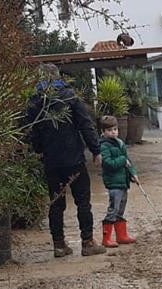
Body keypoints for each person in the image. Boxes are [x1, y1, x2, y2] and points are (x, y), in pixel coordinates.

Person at [26, 64, 107, 258]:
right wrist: (96, 150)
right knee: (83, 201)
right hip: (74, 158)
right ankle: (87, 242)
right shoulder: (70, 97)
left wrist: (39, 150)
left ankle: (59, 245)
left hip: (51, 160)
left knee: (56, 202)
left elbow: (32, 130)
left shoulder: (35, 101)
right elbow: (85, 124)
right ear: (58, 77)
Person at [97, 115, 138, 248]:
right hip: (114, 183)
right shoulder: (104, 146)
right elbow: (109, 164)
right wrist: (122, 160)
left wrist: (133, 174)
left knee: (121, 208)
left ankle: (121, 235)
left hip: (123, 182)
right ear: (103, 132)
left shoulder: (120, 143)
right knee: (113, 209)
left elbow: (128, 161)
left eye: (115, 129)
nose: (113, 132)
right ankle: (106, 238)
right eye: (109, 130)